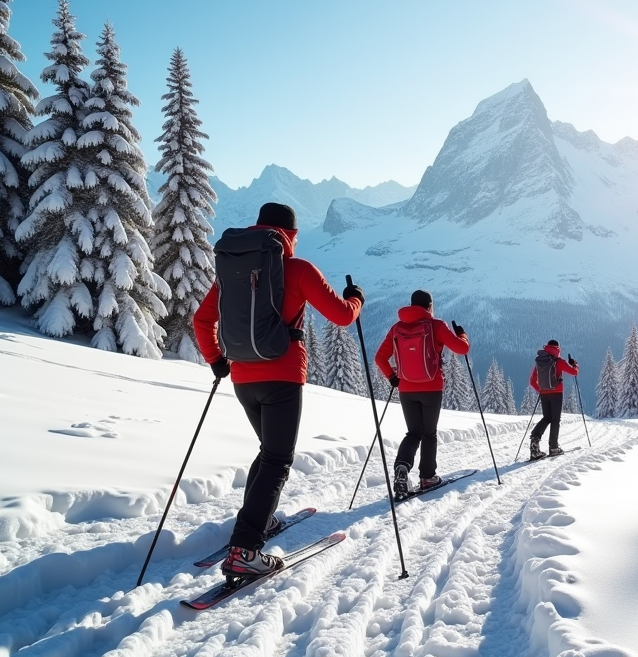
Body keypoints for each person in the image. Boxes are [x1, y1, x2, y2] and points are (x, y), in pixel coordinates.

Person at [194, 202, 364, 581]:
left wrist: (217, 361)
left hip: (241, 378)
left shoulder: (233, 270)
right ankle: (245, 549)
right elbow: (341, 316)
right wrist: (357, 299)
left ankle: (260, 521)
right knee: (277, 459)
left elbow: (202, 318)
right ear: (292, 235)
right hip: (283, 377)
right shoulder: (298, 269)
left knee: (268, 453)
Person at [374, 289, 470, 499]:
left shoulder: (397, 328)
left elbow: (379, 358)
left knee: (413, 433)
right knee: (429, 434)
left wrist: (392, 378)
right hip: (431, 387)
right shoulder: (436, 326)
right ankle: (428, 477)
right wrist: (462, 334)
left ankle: (402, 468)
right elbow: (462, 349)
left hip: (406, 389)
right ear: (429, 306)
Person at [528, 340, 578, 459]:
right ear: (557, 348)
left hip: (544, 393)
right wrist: (574, 364)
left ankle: (534, 444)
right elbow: (574, 372)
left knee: (546, 418)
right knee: (555, 420)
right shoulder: (558, 361)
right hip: (556, 394)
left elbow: (532, 381)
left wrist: (541, 389)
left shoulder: (541, 361)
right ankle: (554, 448)